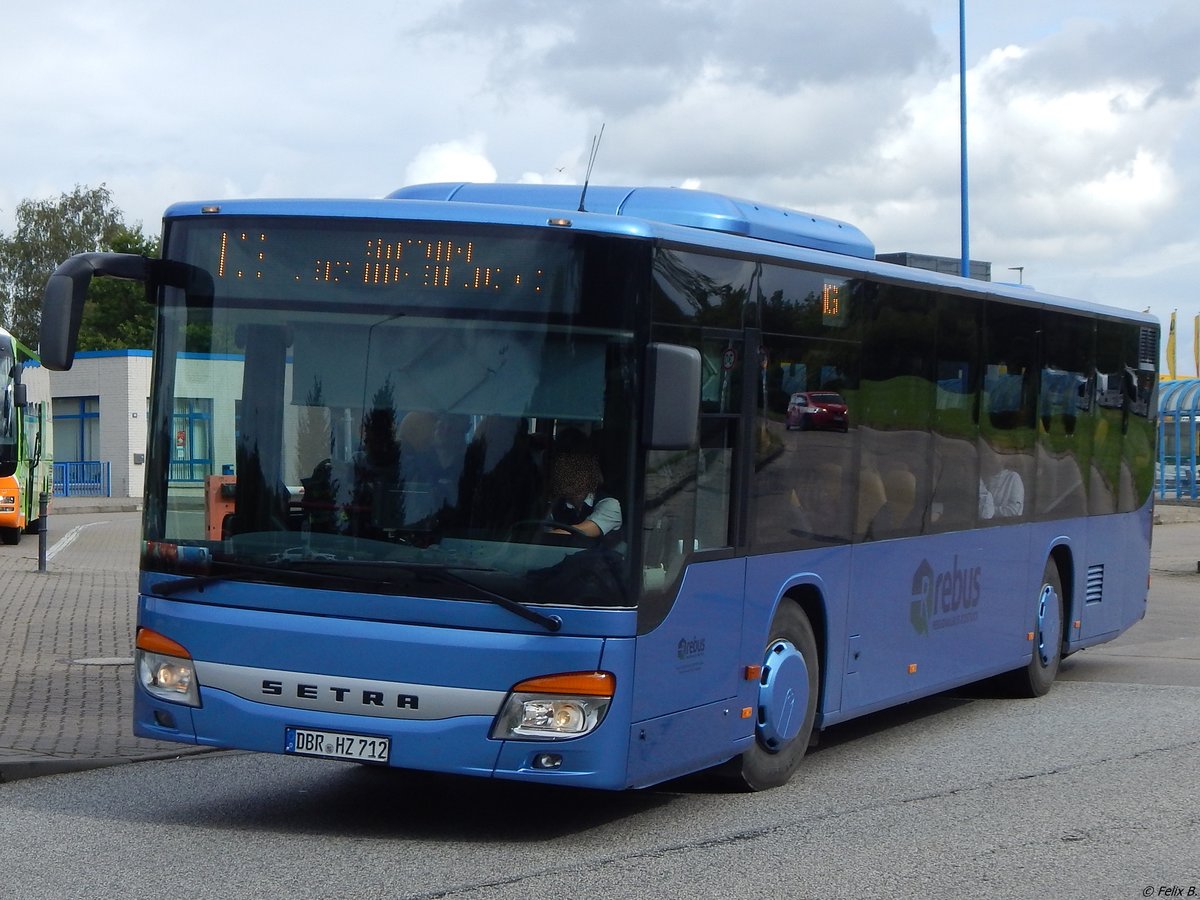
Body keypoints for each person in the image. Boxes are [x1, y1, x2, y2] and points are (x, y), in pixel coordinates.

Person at [546, 449, 622, 540]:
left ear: (589, 477)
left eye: (575, 472)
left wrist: (548, 535)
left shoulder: (610, 505)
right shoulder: (557, 507)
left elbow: (581, 531)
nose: (566, 477)